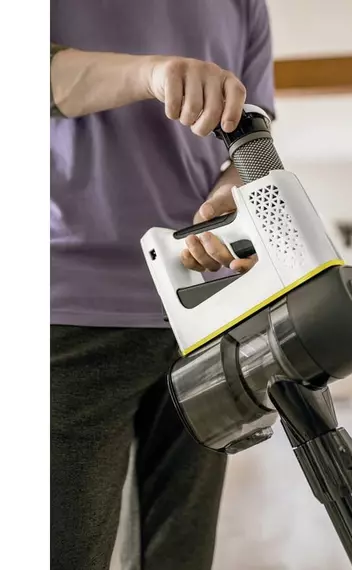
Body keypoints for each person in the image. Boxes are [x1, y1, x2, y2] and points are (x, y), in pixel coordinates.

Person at [50, 1, 275, 569]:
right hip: (67, 307)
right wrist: (150, 74)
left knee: (181, 556)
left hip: (203, 312)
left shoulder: (245, 5)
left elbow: (250, 138)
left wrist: (234, 195)